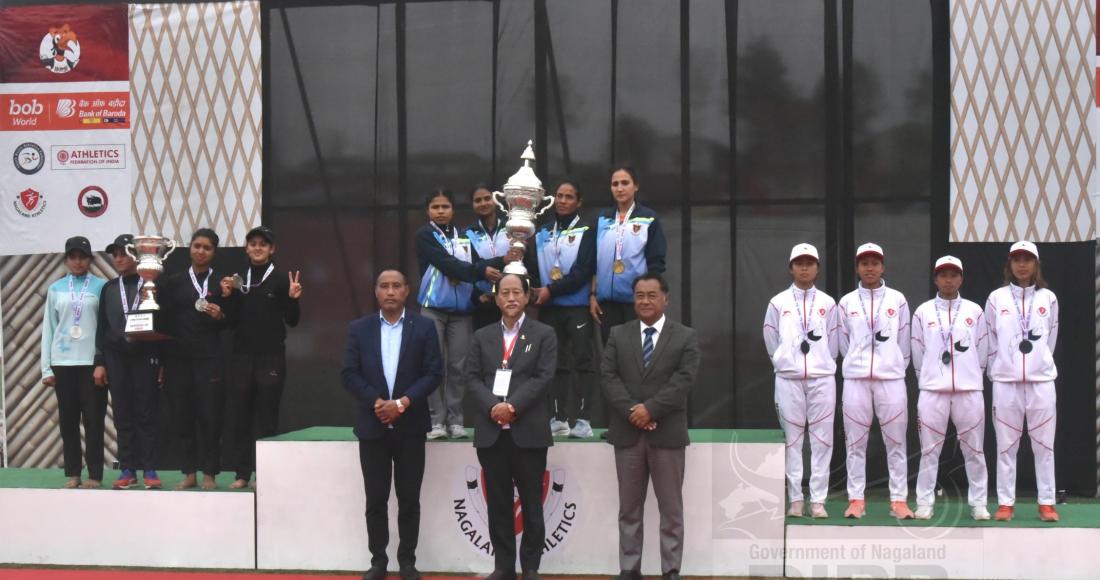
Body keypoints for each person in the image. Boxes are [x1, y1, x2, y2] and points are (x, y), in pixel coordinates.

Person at [343, 269, 443, 580]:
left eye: (396, 286)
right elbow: (349, 373)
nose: (390, 291)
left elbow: (433, 373)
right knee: (375, 499)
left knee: (409, 498)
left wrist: (401, 403)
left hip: (410, 426)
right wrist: (377, 403)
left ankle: (408, 562)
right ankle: (378, 562)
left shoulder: (424, 327)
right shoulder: (359, 329)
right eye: (384, 286)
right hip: (372, 427)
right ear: (375, 291)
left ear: (407, 290)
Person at [601, 273, 700, 580]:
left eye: (651, 295)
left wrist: (650, 409)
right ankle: (629, 569)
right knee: (629, 510)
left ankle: (671, 570)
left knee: (671, 511)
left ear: (665, 299)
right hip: (628, 434)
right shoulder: (618, 334)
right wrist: (634, 411)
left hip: (667, 435)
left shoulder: (685, 336)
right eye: (639, 295)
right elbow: (608, 376)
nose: (645, 301)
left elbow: (684, 380)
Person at [463, 273, 556, 580]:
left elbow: (543, 378)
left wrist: (512, 406)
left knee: (532, 504)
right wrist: (494, 407)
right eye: (505, 292)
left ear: (527, 297)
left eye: (518, 292)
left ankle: (530, 568)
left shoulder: (544, 334)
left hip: (528, 433)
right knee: (499, 506)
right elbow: (472, 378)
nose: (512, 297)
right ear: (497, 298)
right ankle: (504, 567)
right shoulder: (482, 336)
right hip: (492, 435)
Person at [416, 189, 504, 440]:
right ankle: (436, 421)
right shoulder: (425, 235)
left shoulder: (463, 237)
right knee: (435, 366)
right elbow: (448, 264)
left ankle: (455, 420)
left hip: (462, 313)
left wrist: (479, 296)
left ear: (453, 209)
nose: (441, 211)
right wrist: (486, 268)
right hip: (433, 308)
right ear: (428, 211)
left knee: (458, 366)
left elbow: (472, 270)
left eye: (445, 206)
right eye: (435, 207)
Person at [220, 225, 302, 489]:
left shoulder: (279, 279)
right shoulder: (236, 279)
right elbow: (229, 322)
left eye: (263, 244)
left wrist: (292, 299)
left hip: (271, 358)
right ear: (246, 248)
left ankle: (263, 475)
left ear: (271, 249)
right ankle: (242, 474)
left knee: (266, 416)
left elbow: (293, 321)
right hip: (242, 357)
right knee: (240, 416)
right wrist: (227, 296)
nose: (257, 248)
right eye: (253, 243)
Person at [985, 241, 1059, 522]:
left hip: (1041, 382)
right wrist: (1001, 370)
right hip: (1006, 382)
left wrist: (1039, 363)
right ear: (1009, 264)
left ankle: (1047, 502)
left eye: (1028, 259)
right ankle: (1006, 503)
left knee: (1044, 445)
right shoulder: (996, 298)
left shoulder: (1049, 298)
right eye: (1017, 259)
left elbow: (1051, 337)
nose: (1022, 264)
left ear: (1036, 264)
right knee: (1006, 445)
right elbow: (991, 339)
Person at [762, 243, 838, 519]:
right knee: (793, 441)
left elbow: (835, 342)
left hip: (821, 379)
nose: (804, 268)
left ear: (817, 268)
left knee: (822, 440)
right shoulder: (778, 302)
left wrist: (820, 365)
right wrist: (783, 362)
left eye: (809, 263)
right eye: (799, 263)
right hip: (788, 379)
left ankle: (818, 500)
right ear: (791, 267)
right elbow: (770, 338)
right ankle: (795, 498)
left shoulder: (828, 303)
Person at [837, 242, 913, 519]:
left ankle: (899, 500)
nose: (869, 268)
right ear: (857, 267)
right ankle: (856, 499)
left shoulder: (897, 299)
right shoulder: (846, 302)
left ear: (883, 266)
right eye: (864, 263)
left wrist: (891, 365)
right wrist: (857, 365)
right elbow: (842, 342)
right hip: (856, 380)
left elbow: (904, 342)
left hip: (891, 379)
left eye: (874, 263)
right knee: (855, 443)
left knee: (896, 442)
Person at [911, 255, 990, 521]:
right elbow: (917, 353)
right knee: (928, 450)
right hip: (933, 391)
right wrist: (931, 380)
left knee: (975, 449)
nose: (948, 279)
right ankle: (925, 502)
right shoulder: (923, 311)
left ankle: (979, 503)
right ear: (935, 278)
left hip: (968, 391)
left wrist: (970, 378)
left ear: (961, 278)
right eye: (943, 275)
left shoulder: (974, 311)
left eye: (953, 274)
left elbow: (982, 352)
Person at [162, 228, 230, 490]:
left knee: (210, 417)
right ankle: (189, 472)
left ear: (214, 252)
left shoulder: (222, 284)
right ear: (189, 248)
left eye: (207, 247)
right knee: (182, 416)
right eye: (197, 246)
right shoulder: (174, 282)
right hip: (178, 359)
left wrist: (220, 316)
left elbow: (232, 320)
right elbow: (165, 320)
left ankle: (210, 473)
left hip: (210, 358)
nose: (201, 251)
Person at [529, 180, 598, 438]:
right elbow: (534, 269)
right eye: (559, 196)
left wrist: (550, 290)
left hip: (577, 306)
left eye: (569, 196)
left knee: (582, 361)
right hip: (550, 308)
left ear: (578, 202)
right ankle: (558, 418)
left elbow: (583, 271)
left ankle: (583, 419)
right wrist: (534, 288)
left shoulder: (587, 231)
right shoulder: (543, 232)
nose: (563, 200)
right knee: (554, 363)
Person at [95, 233, 162, 490]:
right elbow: (101, 326)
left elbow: (163, 324)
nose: (120, 259)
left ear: (136, 257)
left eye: (125, 253)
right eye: (116, 254)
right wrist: (100, 361)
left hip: (145, 355)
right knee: (122, 414)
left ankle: (150, 469)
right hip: (115, 358)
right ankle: (127, 469)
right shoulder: (109, 289)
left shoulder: (152, 285)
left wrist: (162, 362)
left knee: (146, 413)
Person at [41, 236, 108, 489]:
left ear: (90, 259)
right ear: (66, 259)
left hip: (92, 363)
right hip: (63, 364)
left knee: (94, 420)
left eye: (82, 256)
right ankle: (73, 473)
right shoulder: (55, 289)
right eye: (73, 257)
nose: (77, 261)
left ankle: (94, 474)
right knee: (68, 421)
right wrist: (46, 367)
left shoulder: (102, 287)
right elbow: (49, 327)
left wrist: (105, 362)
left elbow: (105, 327)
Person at [591, 166, 667, 344]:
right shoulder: (603, 219)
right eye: (615, 184)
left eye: (625, 183)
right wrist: (592, 295)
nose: (619, 188)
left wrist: (648, 297)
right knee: (611, 355)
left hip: (637, 302)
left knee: (637, 355)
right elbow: (594, 261)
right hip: (607, 304)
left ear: (636, 186)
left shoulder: (649, 218)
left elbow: (656, 262)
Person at [465, 184, 511, 330]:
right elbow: (467, 268)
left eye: (487, 198)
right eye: (478, 200)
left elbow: (523, 262)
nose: (483, 203)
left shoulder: (512, 229)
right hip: (483, 303)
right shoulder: (466, 234)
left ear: (495, 200)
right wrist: (477, 296)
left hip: (510, 300)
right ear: (472, 205)